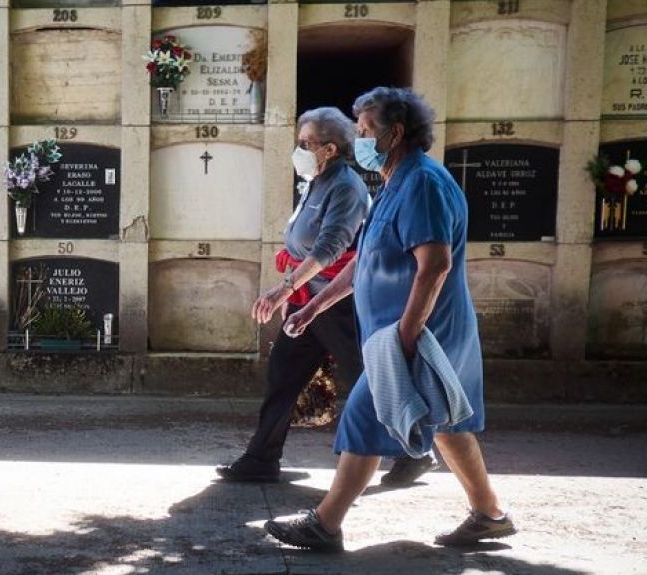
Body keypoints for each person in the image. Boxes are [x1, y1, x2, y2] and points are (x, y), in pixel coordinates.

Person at [264, 87, 516, 552]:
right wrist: (313, 305)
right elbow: (367, 262)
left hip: (420, 334)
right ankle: (490, 515)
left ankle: (325, 523)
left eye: (364, 131)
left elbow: (435, 264)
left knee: (363, 414)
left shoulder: (422, 182)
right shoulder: (394, 181)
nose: (358, 139)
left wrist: (405, 334)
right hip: (406, 333)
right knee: (449, 427)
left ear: (394, 132)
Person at [216, 107, 436, 485]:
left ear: (329, 149)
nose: (299, 150)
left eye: (305, 143)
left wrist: (285, 285)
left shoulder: (346, 187)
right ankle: (262, 458)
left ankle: (414, 451)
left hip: (340, 304)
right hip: (308, 300)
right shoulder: (317, 181)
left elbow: (331, 247)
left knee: (369, 379)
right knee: (283, 374)